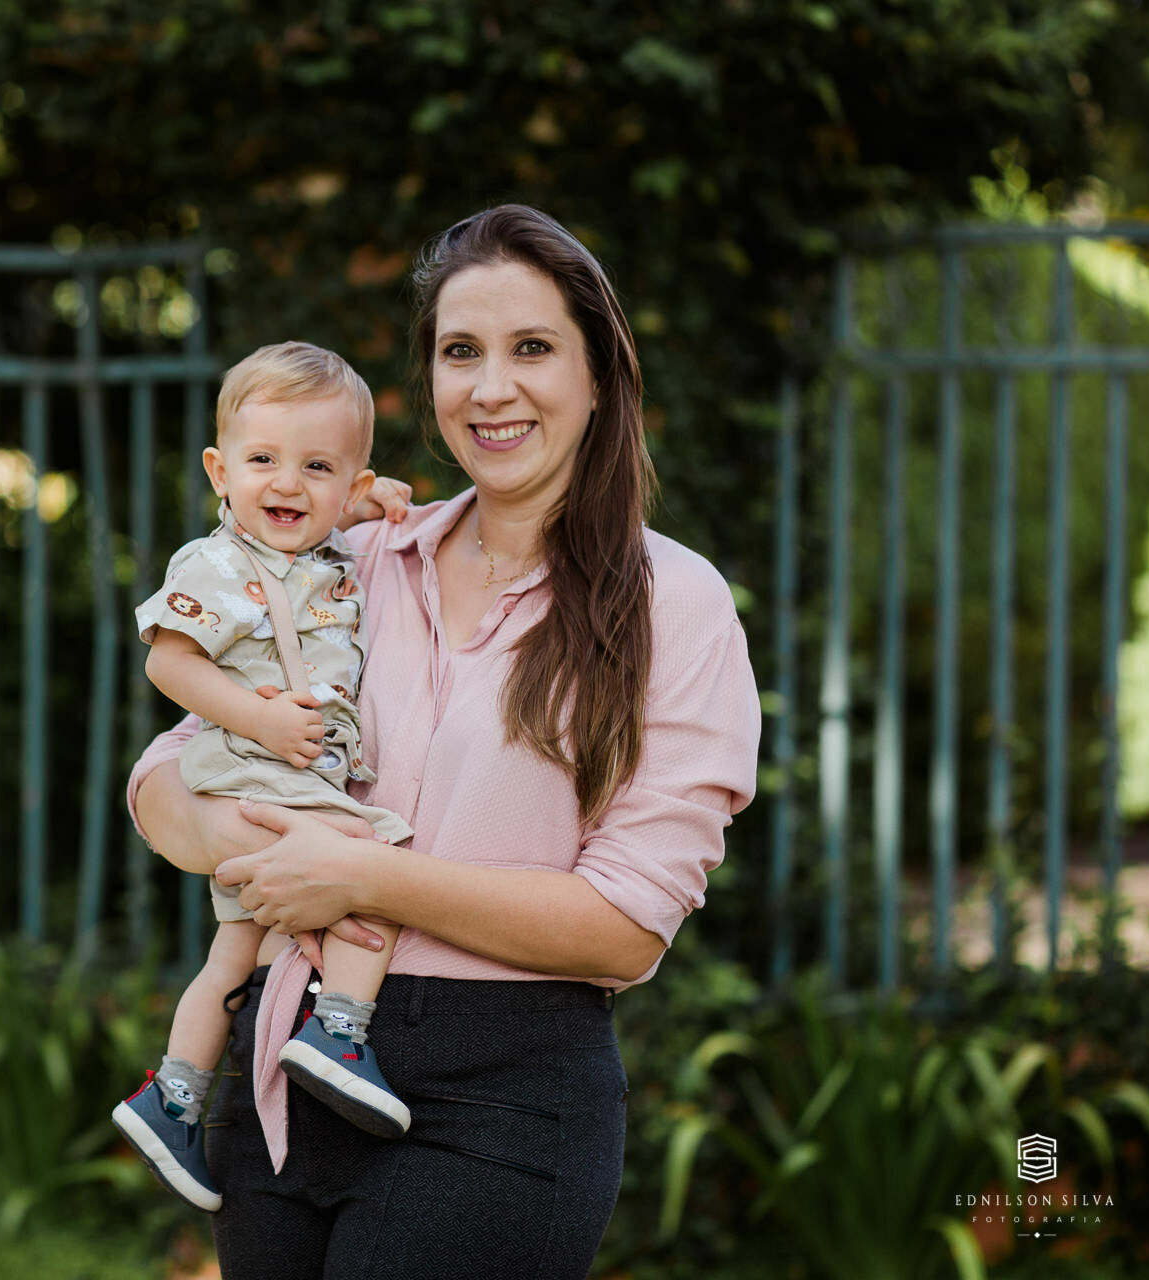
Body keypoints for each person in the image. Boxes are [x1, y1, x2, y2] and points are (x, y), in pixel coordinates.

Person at [126, 205, 761, 1279]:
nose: (491, 386)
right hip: (282, 1079)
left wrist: (359, 874)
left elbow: (625, 928)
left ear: (600, 374)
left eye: (533, 349)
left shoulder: (678, 604)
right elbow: (162, 776)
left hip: (501, 1102)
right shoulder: (349, 560)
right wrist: (252, 838)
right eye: (460, 351)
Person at [111, 342, 422, 1215]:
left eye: (316, 467)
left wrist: (369, 499)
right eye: (262, 462)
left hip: (278, 773)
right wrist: (261, 719)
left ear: (349, 477)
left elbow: (335, 508)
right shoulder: (218, 563)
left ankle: (172, 1099)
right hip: (253, 765)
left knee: (233, 957)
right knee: (380, 860)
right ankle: (339, 1034)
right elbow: (170, 667)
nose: (286, 485)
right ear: (220, 469)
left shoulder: (319, 551)